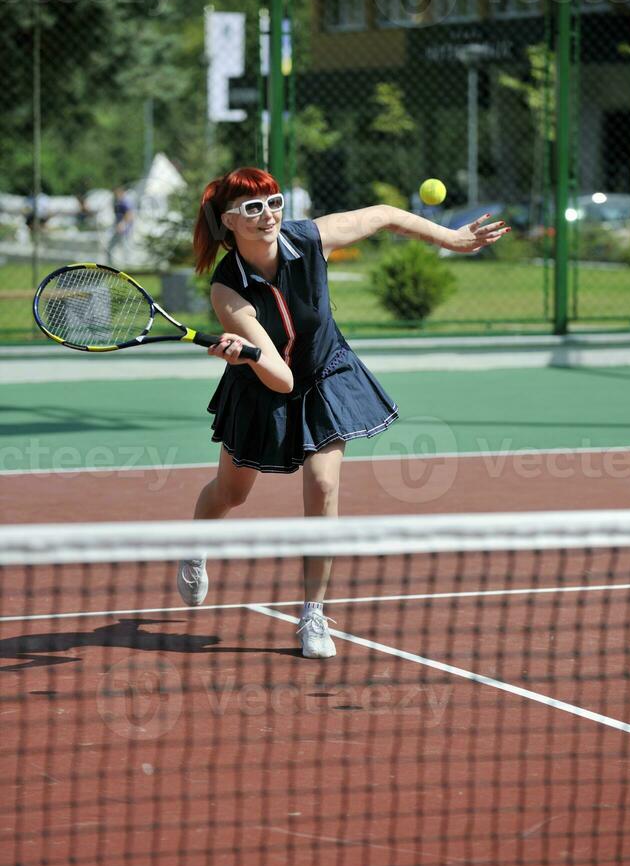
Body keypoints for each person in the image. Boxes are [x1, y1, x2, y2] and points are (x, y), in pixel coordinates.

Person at [177, 167, 509, 658]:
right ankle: (194, 546)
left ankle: (312, 614)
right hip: (262, 385)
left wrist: (453, 239)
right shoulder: (228, 291)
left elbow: (384, 215)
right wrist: (245, 354)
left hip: (326, 371)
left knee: (324, 484)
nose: (268, 215)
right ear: (229, 220)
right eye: (252, 208)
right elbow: (280, 380)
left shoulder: (309, 238)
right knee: (232, 492)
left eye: (274, 203)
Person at [107, 186, 135, 262]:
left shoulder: (125, 202)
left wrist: (122, 224)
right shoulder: (116, 202)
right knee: (111, 245)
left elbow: (129, 215)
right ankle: (110, 263)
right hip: (118, 227)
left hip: (124, 229)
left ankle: (128, 263)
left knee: (125, 247)